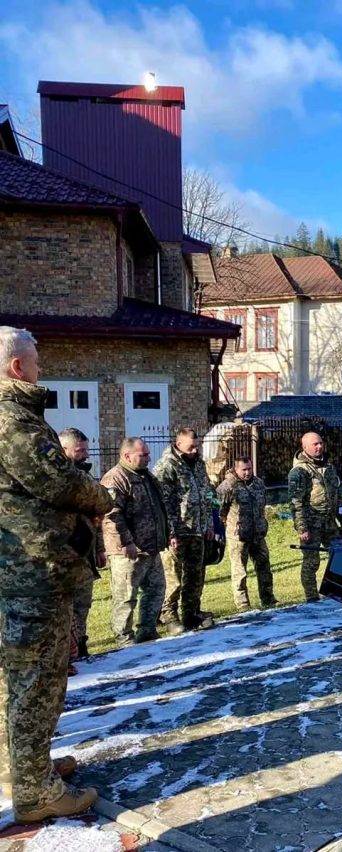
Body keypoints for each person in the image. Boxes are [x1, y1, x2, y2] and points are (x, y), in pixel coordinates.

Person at [0, 326, 112, 822]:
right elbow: (59, 481)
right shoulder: (12, 420)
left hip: (27, 569)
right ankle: (35, 794)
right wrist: (101, 495)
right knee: (37, 679)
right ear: (17, 367)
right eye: (37, 360)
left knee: (20, 678)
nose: (41, 367)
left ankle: (24, 768)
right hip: (32, 573)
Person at [101, 438, 169, 646]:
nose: (148, 458)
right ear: (127, 456)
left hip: (151, 547)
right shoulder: (115, 479)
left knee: (156, 588)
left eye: (148, 454)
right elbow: (112, 515)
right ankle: (124, 638)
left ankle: (147, 631)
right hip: (128, 551)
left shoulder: (146, 476)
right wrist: (126, 542)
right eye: (143, 455)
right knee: (126, 595)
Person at [154, 428, 217, 632]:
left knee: (195, 575)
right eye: (190, 447)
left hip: (197, 529)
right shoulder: (167, 465)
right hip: (178, 531)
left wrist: (208, 524)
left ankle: (191, 614)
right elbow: (164, 502)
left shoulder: (199, 464)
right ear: (178, 443)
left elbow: (207, 495)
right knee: (173, 578)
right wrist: (171, 531)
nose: (194, 450)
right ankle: (169, 615)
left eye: (196, 446)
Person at [58, 427, 105, 661]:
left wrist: (100, 549)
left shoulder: (85, 477)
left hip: (85, 555)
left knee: (83, 605)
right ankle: (66, 654)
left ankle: (81, 646)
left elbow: (96, 518)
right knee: (66, 609)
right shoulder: (56, 481)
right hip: (64, 555)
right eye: (80, 450)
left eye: (86, 449)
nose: (86, 454)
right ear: (63, 449)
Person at [288, 432, 342, 602]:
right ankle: (311, 597)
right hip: (312, 523)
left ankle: (338, 591)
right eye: (314, 444)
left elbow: (336, 492)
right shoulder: (299, 471)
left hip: (329, 521)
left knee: (339, 556)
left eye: (320, 443)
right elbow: (296, 503)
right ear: (305, 448)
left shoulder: (328, 465)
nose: (319, 447)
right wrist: (302, 528)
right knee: (311, 562)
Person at [217, 456, 276, 611]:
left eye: (249, 468)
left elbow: (262, 506)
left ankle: (268, 598)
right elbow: (219, 511)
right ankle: (243, 604)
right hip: (238, 537)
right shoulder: (228, 486)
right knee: (240, 571)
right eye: (244, 469)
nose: (247, 472)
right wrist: (230, 526)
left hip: (258, 534)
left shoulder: (258, 484)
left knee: (264, 567)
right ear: (236, 469)